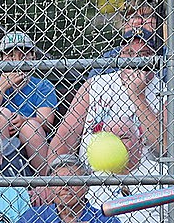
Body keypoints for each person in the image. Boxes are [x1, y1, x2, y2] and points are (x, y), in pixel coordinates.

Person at [50, 27, 167, 162]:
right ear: (119, 55)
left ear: (155, 58)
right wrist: (52, 175)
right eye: (128, 53)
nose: (135, 60)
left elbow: (164, 147)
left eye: (144, 54)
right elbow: (65, 137)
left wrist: (137, 96)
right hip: (92, 175)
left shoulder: (164, 91)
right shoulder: (95, 84)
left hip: (142, 176)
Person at [87, 0, 174, 98]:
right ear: (124, 24)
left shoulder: (170, 55)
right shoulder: (110, 56)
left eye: (146, 16)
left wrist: (151, 88)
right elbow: (90, 88)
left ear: (158, 21)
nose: (138, 21)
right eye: (132, 16)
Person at [0, 32, 57, 173]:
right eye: (10, 56)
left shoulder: (43, 85)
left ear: (33, 57)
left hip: (30, 137)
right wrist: (2, 86)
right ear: (1, 59)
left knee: (30, 126)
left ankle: (45, 182)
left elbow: (47, 121)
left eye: (23, 55)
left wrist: (23, 120)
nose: (17, 61)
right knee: (2, 113)